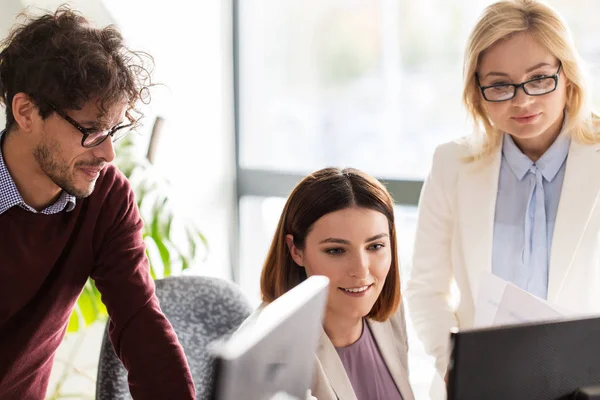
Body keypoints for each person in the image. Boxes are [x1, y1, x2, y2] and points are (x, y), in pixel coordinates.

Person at [0, 7, 195, 399]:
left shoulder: (105, 197)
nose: (107, 153)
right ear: (25, 112)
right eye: (90, 131)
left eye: (113, 130)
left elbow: (140, 322)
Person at [406, 0, 600, 387]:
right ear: (477, 92)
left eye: (540, 78)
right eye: (499, 85)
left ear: (569, 75)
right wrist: (458, 366)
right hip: (484, 383)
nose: (522, 100)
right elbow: (426, 288)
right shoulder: (451, 165)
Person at [243, 167, 415, 400]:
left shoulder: (390, 315)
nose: (361, 270)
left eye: (375, 247)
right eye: (336, 250)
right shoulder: (271, 353)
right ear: (296, 250)